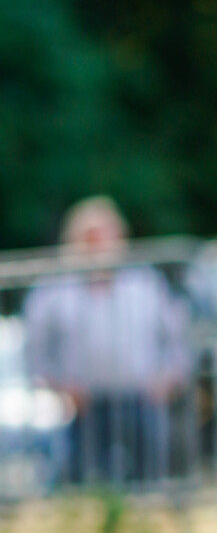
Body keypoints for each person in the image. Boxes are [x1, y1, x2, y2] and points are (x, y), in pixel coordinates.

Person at [23, 197, 191, 485]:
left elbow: (176, 338)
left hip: (139, 400)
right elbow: (34, 350)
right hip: (82, 407)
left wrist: (169, 379)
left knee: (151, 477)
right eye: (89, 237)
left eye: (104, 235)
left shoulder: (144, 283)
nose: (97, 245)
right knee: (74, 480)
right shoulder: (54, 291)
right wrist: (58, 386)